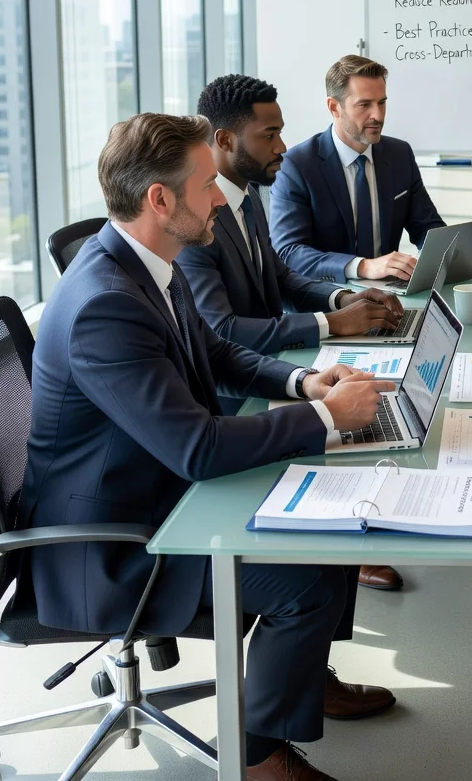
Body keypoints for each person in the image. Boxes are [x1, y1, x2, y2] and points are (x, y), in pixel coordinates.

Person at [20, 113, 398, 781]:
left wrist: (304, 380)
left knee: (331, 535)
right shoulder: (103, 304)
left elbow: (216, 352)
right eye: (205, 184)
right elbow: (196, 448)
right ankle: (256, 759)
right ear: (160, 201)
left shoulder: (144, 263)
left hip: (158, 494)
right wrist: (327, 418)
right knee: (303, 581)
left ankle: (302, 685)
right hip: (113, 543)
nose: (220, 195)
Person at [179, 73, 408, 594]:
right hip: (230, 402)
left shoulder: (246, 197)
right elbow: (222, 330)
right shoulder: (199, 221)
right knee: (350, 421)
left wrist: (341, 299)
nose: (282, 147)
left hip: (265, 372)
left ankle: (348, 548)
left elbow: (278, 277)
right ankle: (346, 544)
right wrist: (332, 326)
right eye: (269, 135)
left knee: (365, 406)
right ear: (224, 141)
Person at [270, 54, 445, 285]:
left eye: (382, 102)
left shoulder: (399, 154)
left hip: (389, 294)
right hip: (327, 298)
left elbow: (428, 228)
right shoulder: (297, 165)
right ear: (334, 107)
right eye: (365, 105)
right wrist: (364, 266)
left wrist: (438, 257)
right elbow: (289, 252)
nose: (378, 115)